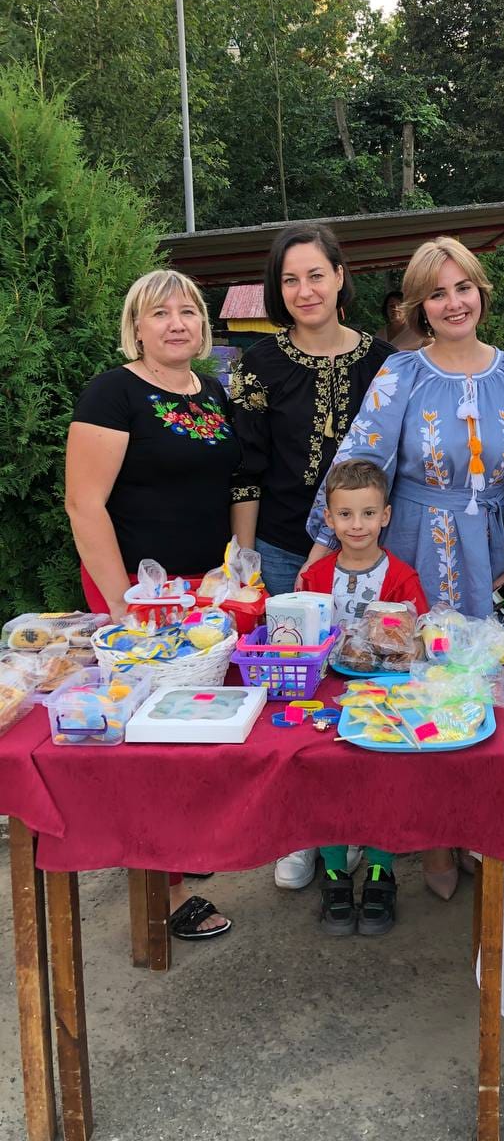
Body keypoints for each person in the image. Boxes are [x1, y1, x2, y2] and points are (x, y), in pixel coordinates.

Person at [303, 236, 504, 899]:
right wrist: (324, 543)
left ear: (481, 291)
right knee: (417, 683)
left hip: (492, 550)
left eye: (462, 287)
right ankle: (433, 838)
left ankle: (476, 826)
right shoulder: (401, 375)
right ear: (418, 306)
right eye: (436, 293)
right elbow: (361, 460)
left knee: (483, 683)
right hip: (413, 541)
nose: (453, 302)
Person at [65, 269, 237, 941]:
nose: (176, 323)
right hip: (138, 596)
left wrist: (230, 575)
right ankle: (162, 897)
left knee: (192, 728)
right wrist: (122, 605)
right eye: (159, 312)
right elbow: (84, 504)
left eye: (188, 311)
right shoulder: (114, 393)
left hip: (201, 591)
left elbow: (225, 488)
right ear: (136, 327)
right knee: (151, 741)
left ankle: (178, 852)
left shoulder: (212, 392)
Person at [229, 221, 393, 893]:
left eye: (316, 275)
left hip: (364, 555)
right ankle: (299, 833)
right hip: (279, 550)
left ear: (340, 276)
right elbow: (246, 468)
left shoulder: (384, 361)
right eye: (290, 279)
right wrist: (244, 557)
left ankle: (357, 826)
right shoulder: (257, 364)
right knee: (290, 698)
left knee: (362, 685)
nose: (305, 290)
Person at [300, 459, 428, 935]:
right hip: (327, 691)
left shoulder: (402, 577)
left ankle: (380, 868)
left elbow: (418, 638)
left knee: (384, 777)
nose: (357, 525)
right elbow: (301, 635)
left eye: (368, 513)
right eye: (346, 514)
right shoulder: (315, 577)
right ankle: (334, 869)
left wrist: (406, 641)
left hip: (387, 694)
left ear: (386, 516)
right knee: (326, 775)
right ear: (329, 519)